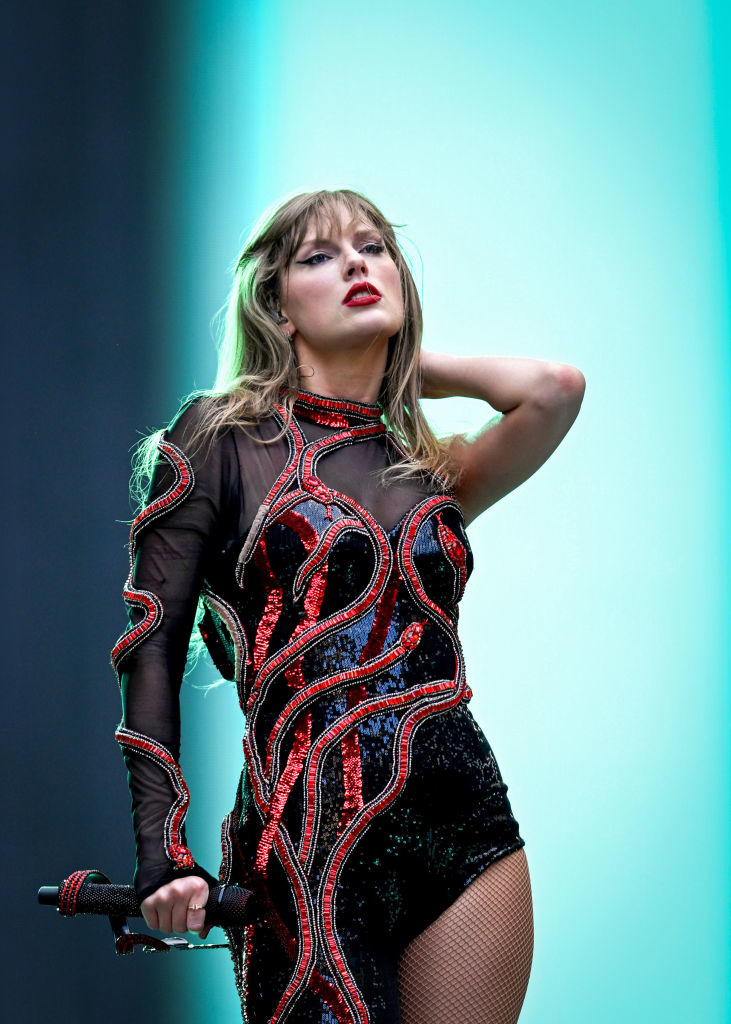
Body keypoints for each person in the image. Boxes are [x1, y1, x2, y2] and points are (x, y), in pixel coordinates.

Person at [113, 188, 585, 1024]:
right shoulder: (218, 439)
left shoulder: (425, 467)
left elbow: (552, 389)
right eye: (319, 257)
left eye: (373, 249)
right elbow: (151, 647)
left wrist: (396, 366)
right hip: (306, 843)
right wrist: (162, 853)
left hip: (466, 822)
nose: (357, 265)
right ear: (275, 305)